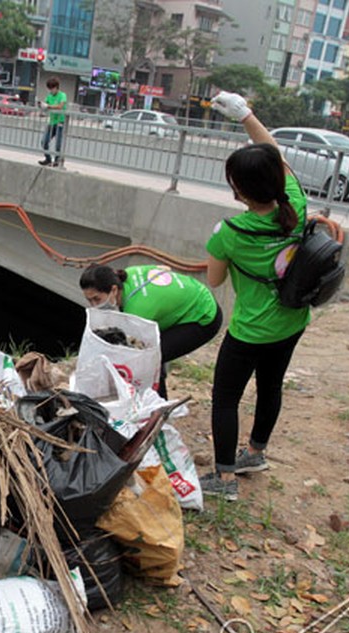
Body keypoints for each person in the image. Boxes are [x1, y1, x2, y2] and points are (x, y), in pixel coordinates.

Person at [197, 90, 311, 501]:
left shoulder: (231, 233)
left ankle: (224, 480)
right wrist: (247, 116)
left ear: (239, 190)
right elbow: (273, 152)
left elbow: (214, 281)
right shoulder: (294, 204)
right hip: (292, 321)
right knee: (270, 386)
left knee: (225, 398)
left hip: (250, 330)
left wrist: (216, 246)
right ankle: (255, 453)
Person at [78, 265, 222, 400]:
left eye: (97, 299)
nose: (94, 305)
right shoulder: (128, 274)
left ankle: (157, 413)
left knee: (150, 363)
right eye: (89, 300)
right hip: (194, 295)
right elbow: (164, 268)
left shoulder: (138, 310)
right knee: (155, 357)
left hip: (203, 316)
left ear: (114, 290)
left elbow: (136, 356)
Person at [38, 77, 67, 167]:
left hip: (60, 122)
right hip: (52, 122)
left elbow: (60, 106)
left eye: (52, 88)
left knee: (58, 144)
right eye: (49, 89)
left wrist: (49, 106)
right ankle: (48, 159)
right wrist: (42, 107)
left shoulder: (62, 95)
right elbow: (45, 106)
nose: (51, 91)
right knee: (44, 141)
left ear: (56, 87)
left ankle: (57, 160)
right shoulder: (49, 96)